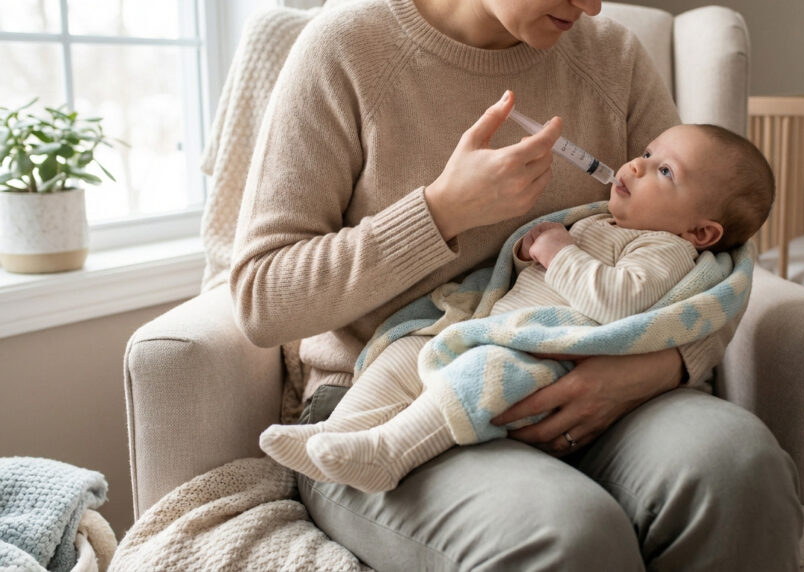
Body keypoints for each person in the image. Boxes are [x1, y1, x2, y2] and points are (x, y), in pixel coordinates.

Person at [230, 0, 803, 569]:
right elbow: (263, 298)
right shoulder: (348, 50)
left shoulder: (613, 55)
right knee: (568, 532)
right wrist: (440, 212)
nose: (593, 5)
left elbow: (715, 246)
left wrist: (666, 364)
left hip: (592, 375)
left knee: (739, 467)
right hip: (393, 398)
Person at [258, 122, 776, 494]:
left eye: (663, 169)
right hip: (495, 328)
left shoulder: (665, 248)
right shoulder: (612, 222)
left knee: (479, 377)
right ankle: (339, 430)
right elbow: (262, 296)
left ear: (700, 233)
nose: (634, 164)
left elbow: (622, 300)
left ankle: (390, 451)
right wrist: (447, 211)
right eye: (645, 151)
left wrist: (557, 252)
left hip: (541, 355)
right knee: (405, 354)